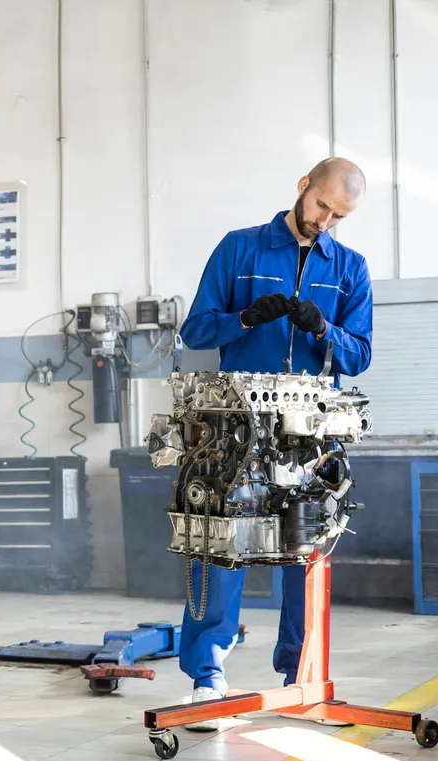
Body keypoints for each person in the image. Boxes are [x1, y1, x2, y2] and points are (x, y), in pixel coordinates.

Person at [174, 157, 374, 731]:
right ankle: (207, 679)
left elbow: (359, 354)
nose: (325, 222)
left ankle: (302, 677)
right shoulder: (239, 249)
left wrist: (322, 330)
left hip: (310, 434)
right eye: (321, 207)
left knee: (306, 554)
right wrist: (243, 319)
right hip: (238, 429)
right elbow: (196, 330)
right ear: (302, 187)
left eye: (339, 216)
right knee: (221, 547)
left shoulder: (350, 268)